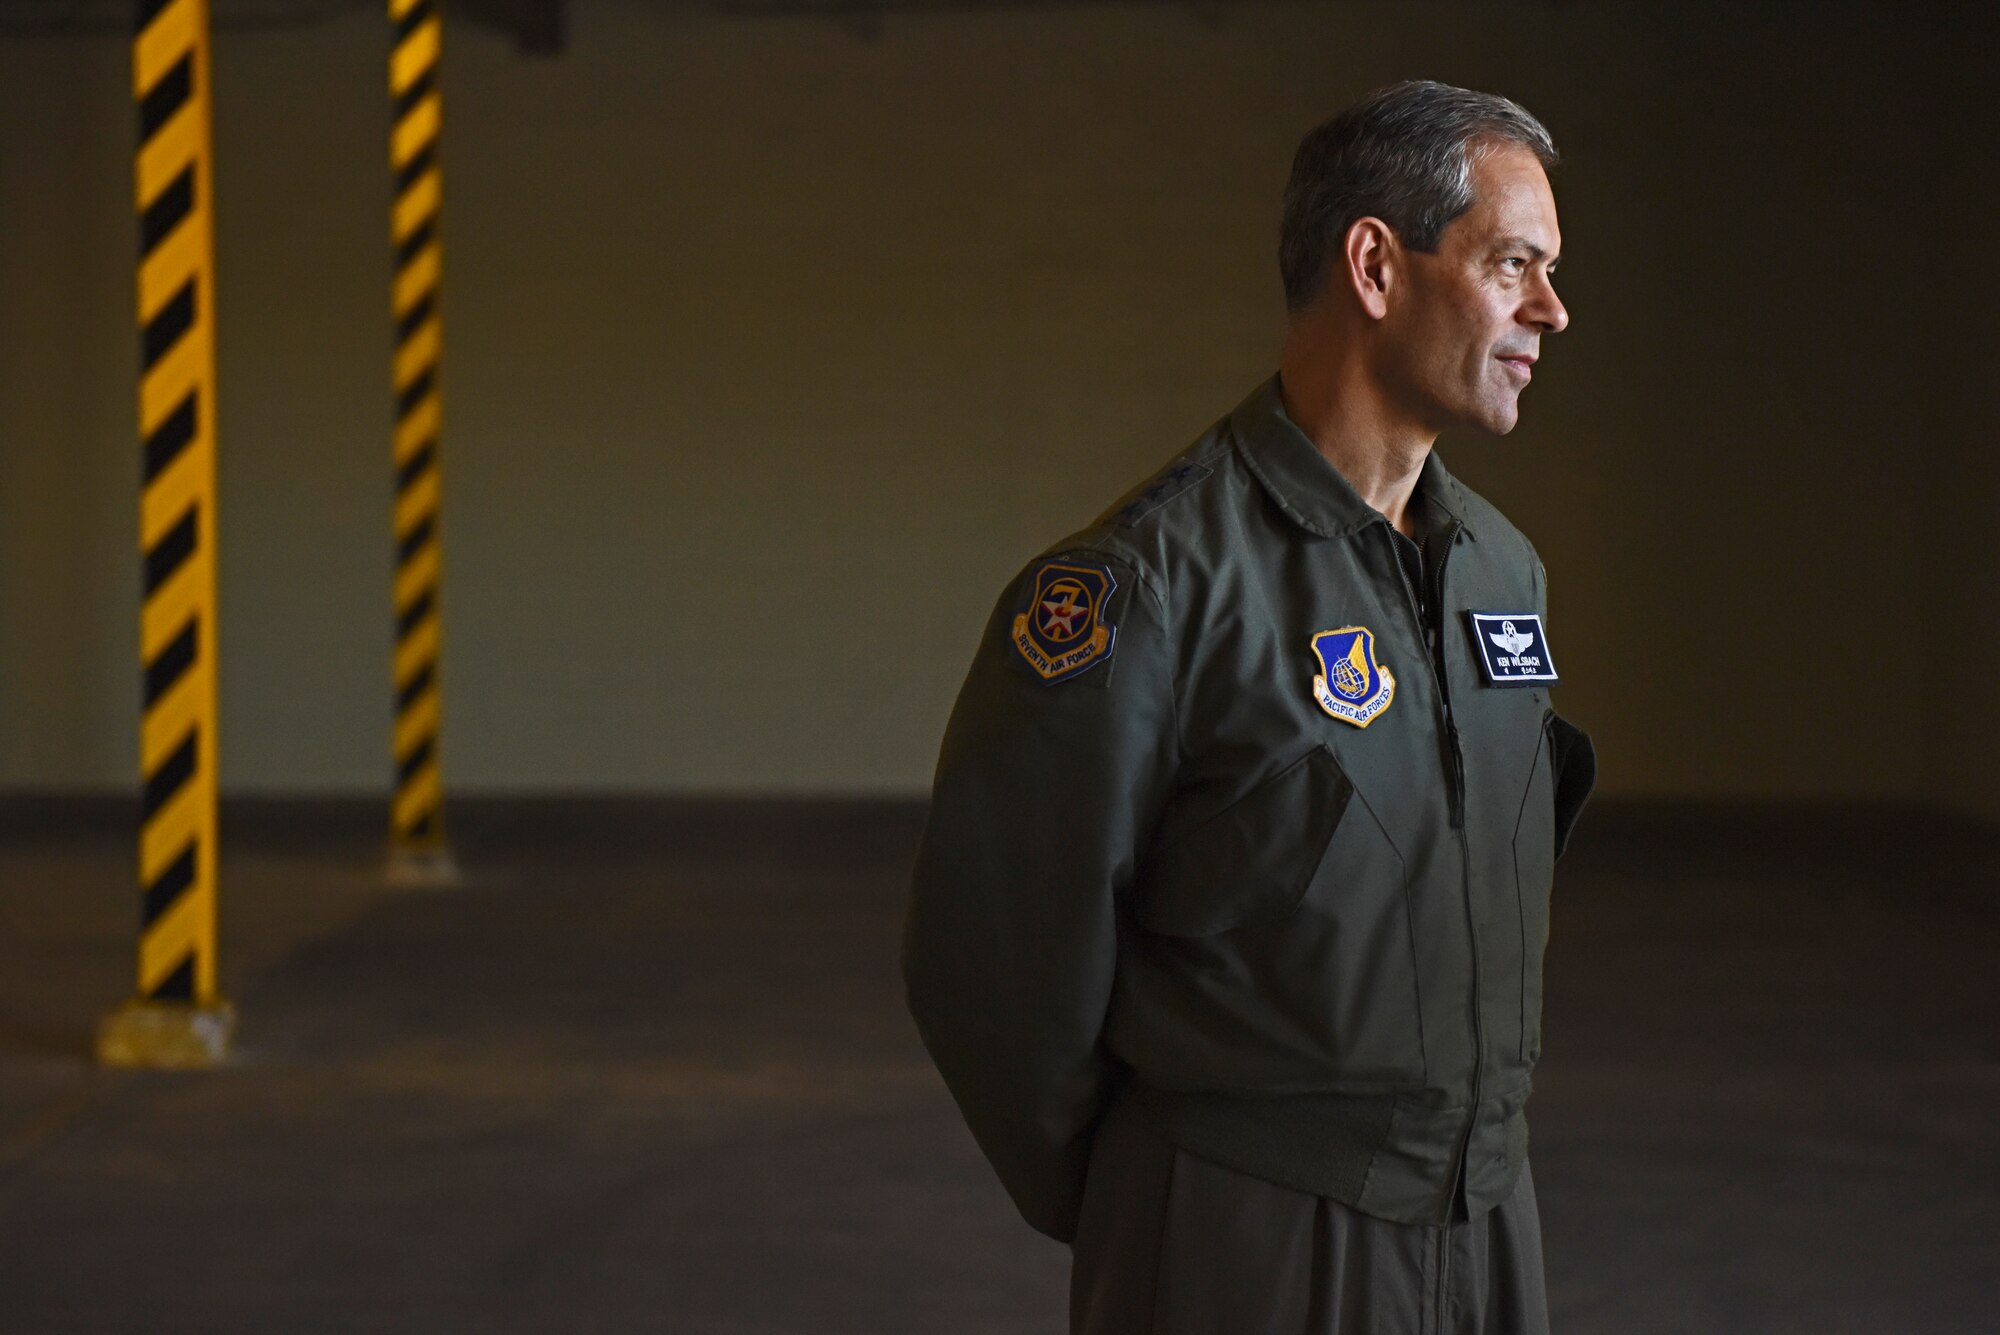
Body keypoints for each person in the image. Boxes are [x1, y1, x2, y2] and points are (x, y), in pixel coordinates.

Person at [903, 80, 1599, 1335]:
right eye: (1512, 266)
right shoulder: (1147, 584)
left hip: (1485, 1214)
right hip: (1249, 1231)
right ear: (1376, 266)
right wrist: (1150, 1194)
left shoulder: (1500, 570)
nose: (1547, 310)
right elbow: (991, 968)